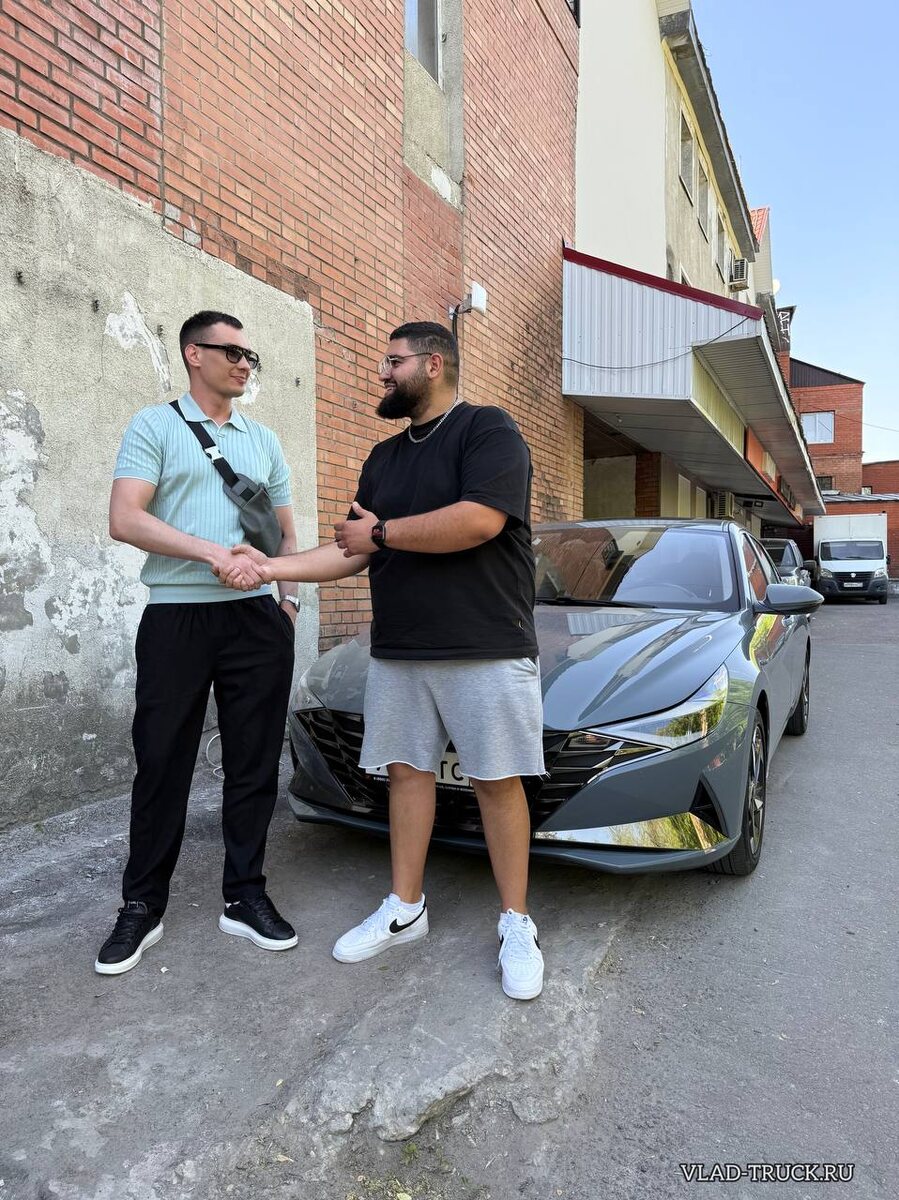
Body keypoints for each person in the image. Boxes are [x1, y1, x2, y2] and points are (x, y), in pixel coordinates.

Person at [221, 321, 546, 1000]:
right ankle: (405, 907)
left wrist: (383, 532)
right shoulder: (383, 458)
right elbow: (351, 549)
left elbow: (479, 520)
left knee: (496, 781)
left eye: (393, 361)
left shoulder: (488, 430)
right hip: (399, 649)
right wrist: (270, 566)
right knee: (406, 775)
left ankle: (516, 921)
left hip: (485, 644)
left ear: (433, 364)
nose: (382, 372)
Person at [95, 311, 300, 975]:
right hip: (176, 618)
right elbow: (125, 518)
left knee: (254, 764)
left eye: (250, 355)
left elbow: (283, 534)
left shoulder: (262, 440)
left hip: (256, 621)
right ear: (193, 354)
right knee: (161, 762)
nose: (244, 364)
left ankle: (244, 895)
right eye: (231, 351)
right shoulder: (154, 426)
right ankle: (141, 905)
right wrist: (213, 553)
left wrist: (288, 601)